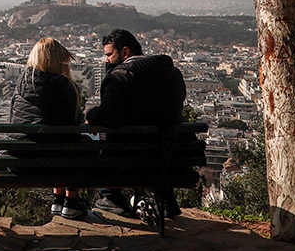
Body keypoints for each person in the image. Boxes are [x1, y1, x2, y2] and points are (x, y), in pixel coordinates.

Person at [86, 29, 187, 219]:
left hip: (127, 159)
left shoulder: (119, 78)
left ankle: (112, 197)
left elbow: (109, 116)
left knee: (88, 145)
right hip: (167, 156)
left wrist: (91, 113)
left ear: (125, 52)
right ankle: (165, 198)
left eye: (109, 54)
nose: (106, 60)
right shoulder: (172, 74)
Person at [10, 37, 87, 220]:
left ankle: (57, 197)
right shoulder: (65, 87)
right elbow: (72, 128)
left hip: (21, 160)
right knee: (74, 144)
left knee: (52, 144)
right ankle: (71, 200)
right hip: (54, 161)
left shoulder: (21, 84)